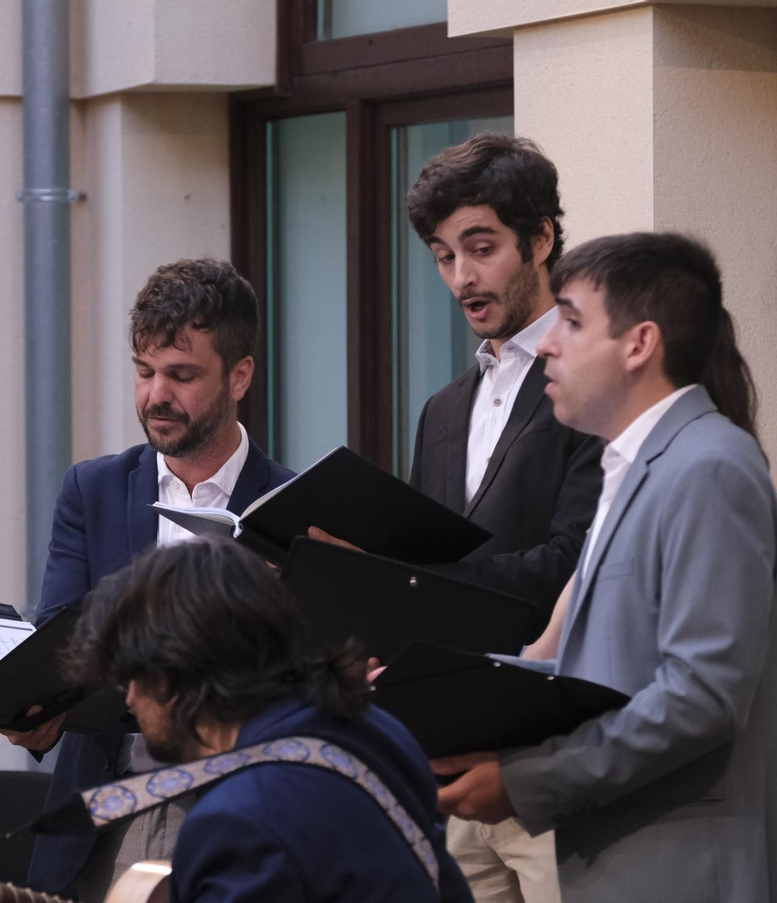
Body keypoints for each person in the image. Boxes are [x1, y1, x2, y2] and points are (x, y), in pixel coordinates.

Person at [434, 233, 777, 903]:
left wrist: (527, 781)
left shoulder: (707, 466)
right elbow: (585, 672)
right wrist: (425, 689)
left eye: (571, 321)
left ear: (640, 344)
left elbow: (701, 697)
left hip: (691, 877)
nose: (547, 344)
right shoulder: (633, 468)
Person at [316, 132, 600, 903]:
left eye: (481, 248)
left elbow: (579, 559)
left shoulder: (589, 382)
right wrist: (364, 585)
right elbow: (428, 560)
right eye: (444, 256)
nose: (461, 278)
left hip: (555, 756)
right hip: (452, 766)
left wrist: (414, 581)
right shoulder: (443, 410)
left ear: (540, 239)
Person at [4, 258, 295, 900]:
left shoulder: (296, 506)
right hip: (102, 810)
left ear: (240, 375)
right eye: (144, 372)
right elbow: (61, 640)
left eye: (181, 375)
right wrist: (33, 707)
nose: (156, 395)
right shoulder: (93, 489)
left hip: (242, 808)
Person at [45, 538, 473, 902]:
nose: (130, 699)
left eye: (132, 678)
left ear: (173, 675)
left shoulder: (237, 822)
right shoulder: (373, 728)